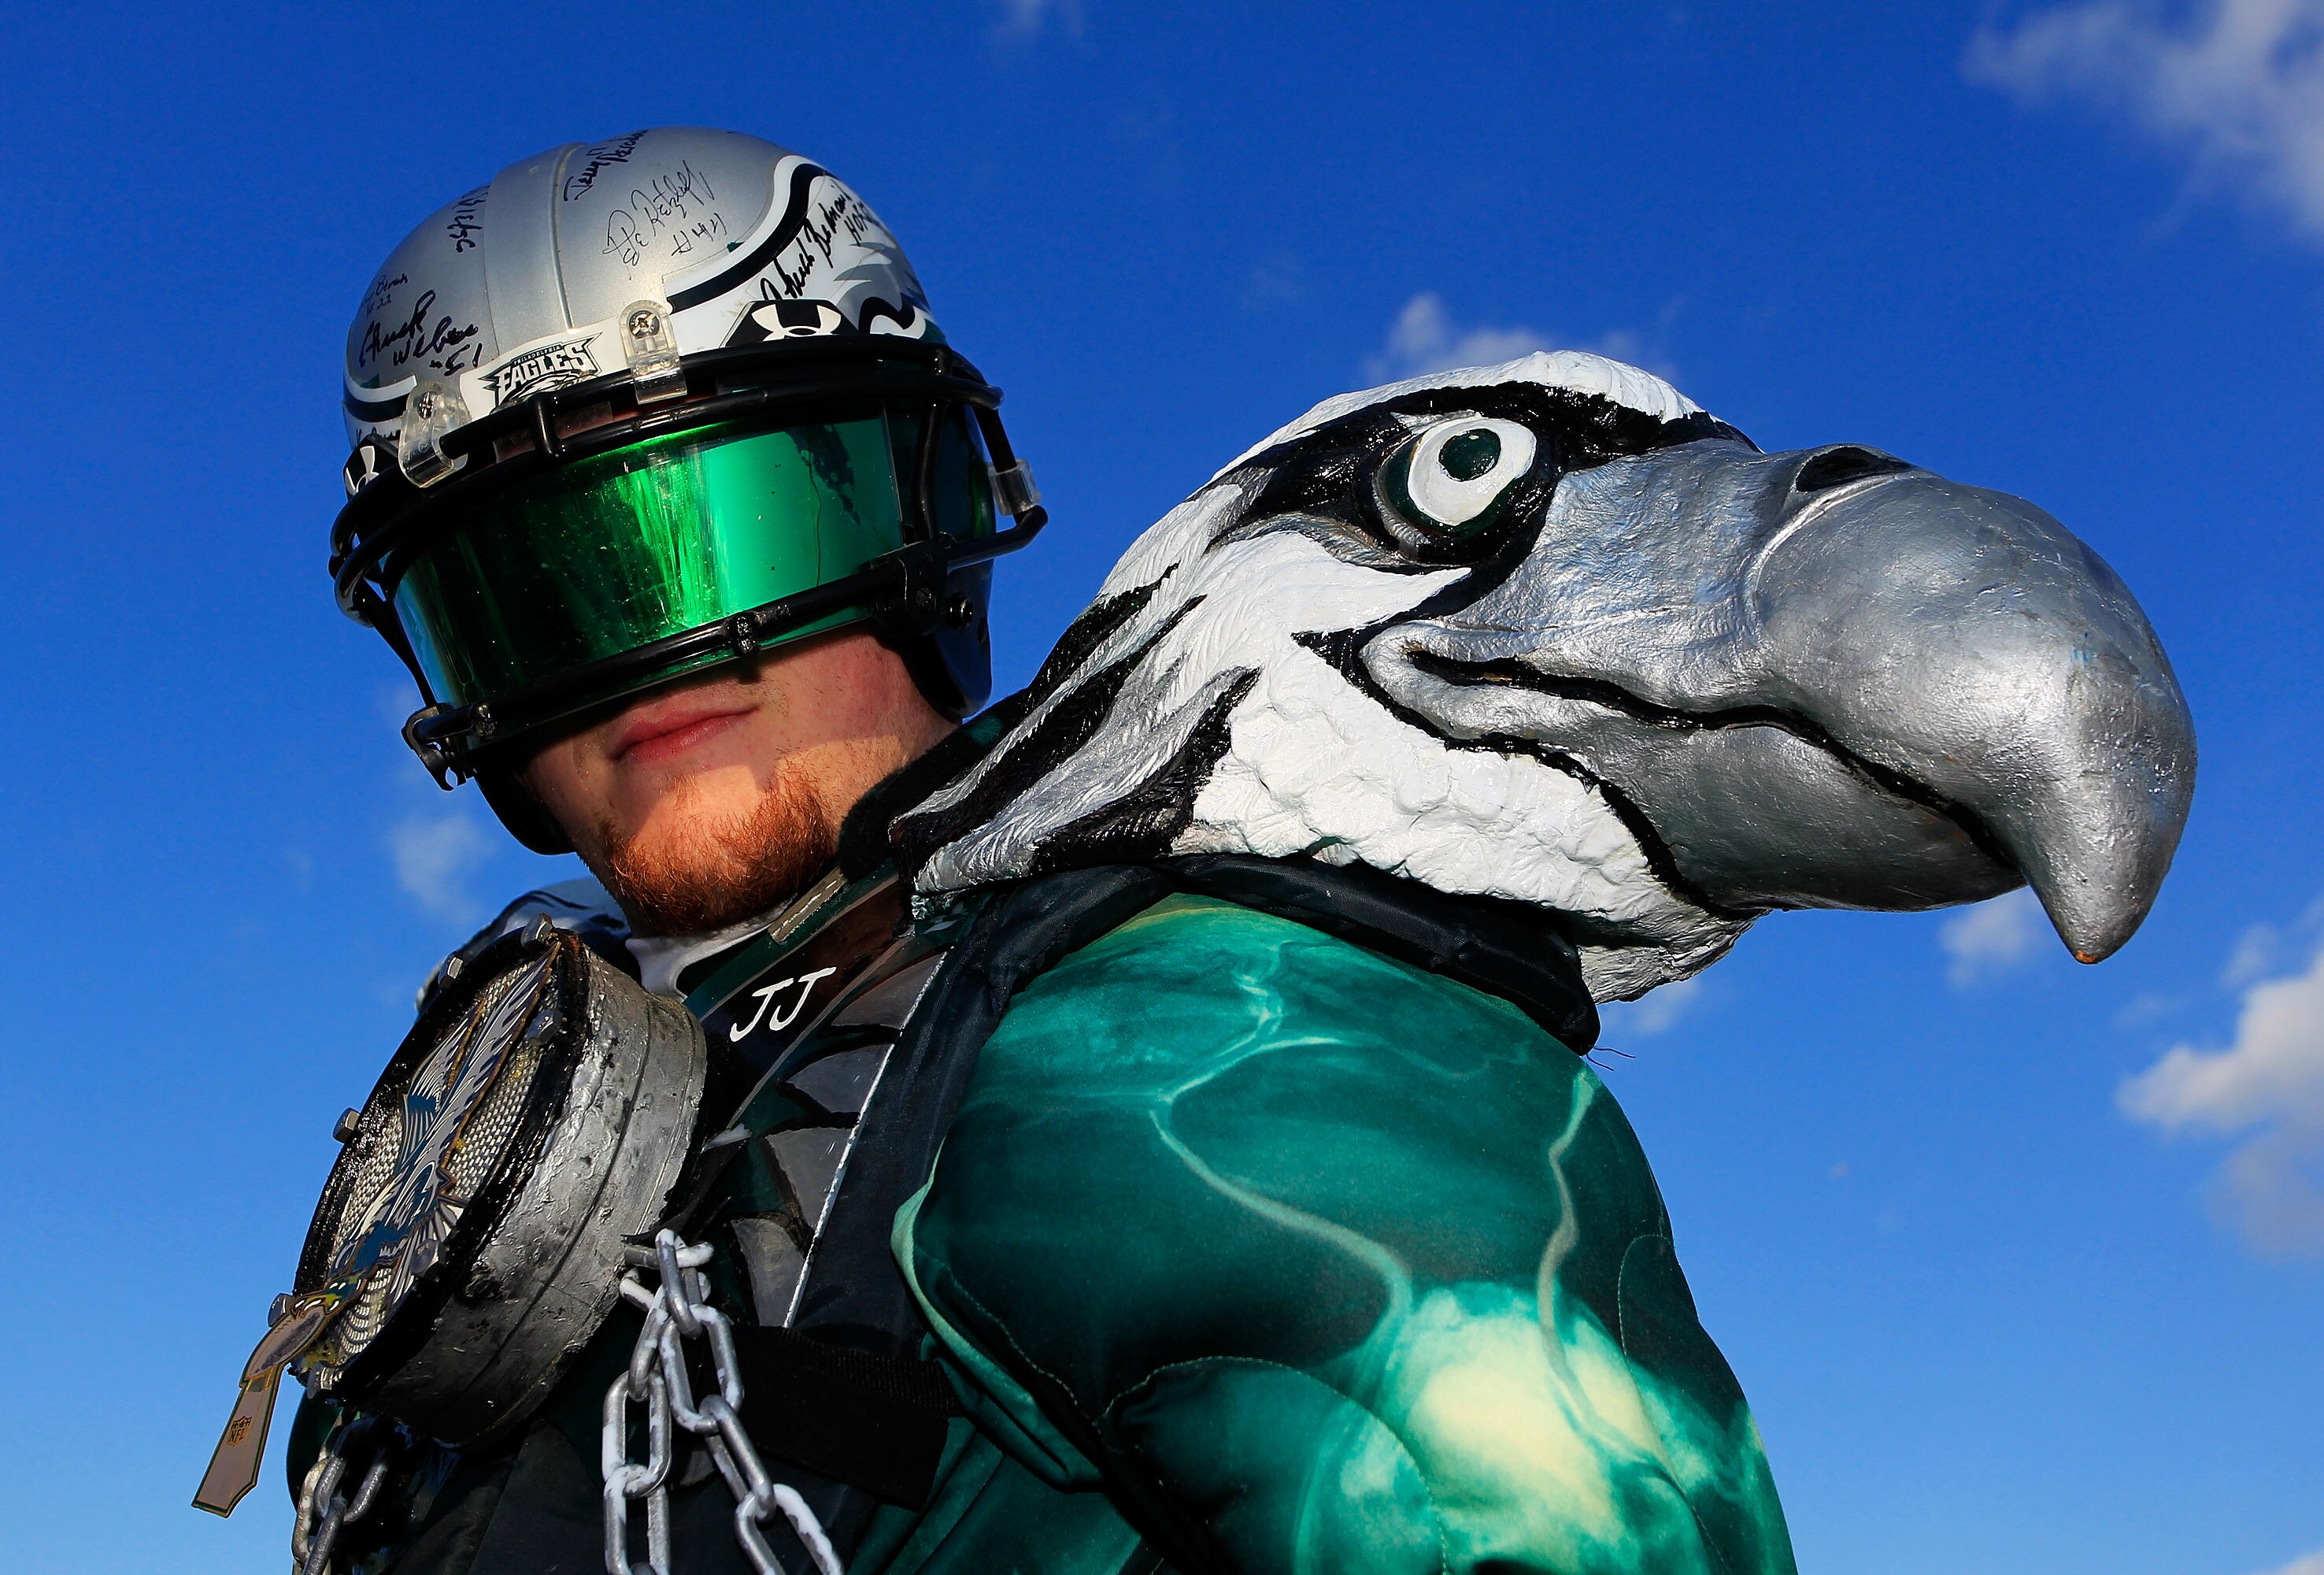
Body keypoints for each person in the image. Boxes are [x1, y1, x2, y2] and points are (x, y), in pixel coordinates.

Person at [231, 124, 2194, 1575]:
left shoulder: (1193, 1031)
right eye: (533, 593)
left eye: (724, 534)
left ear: (918, 522)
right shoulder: (483, 1148)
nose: (649, 657)